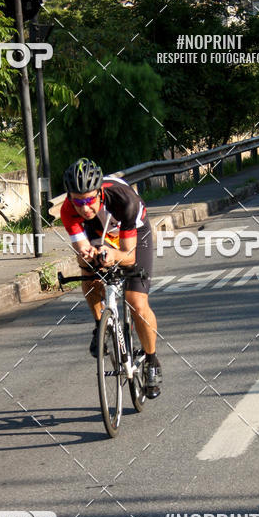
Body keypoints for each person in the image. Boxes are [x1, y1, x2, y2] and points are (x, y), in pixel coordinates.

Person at [60, 157, 162, 399]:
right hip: (99, 232)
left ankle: (151, 360)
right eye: (77, 202)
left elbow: (128, 257)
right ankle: (100, 325)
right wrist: (90, 256)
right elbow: (82, 250)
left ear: (99, 193)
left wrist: (112, 255)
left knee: (136, 302)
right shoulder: (68, 210)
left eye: (88, 200)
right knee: (88, 269)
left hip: (134, 235)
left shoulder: (124, 200)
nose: (84, 208)